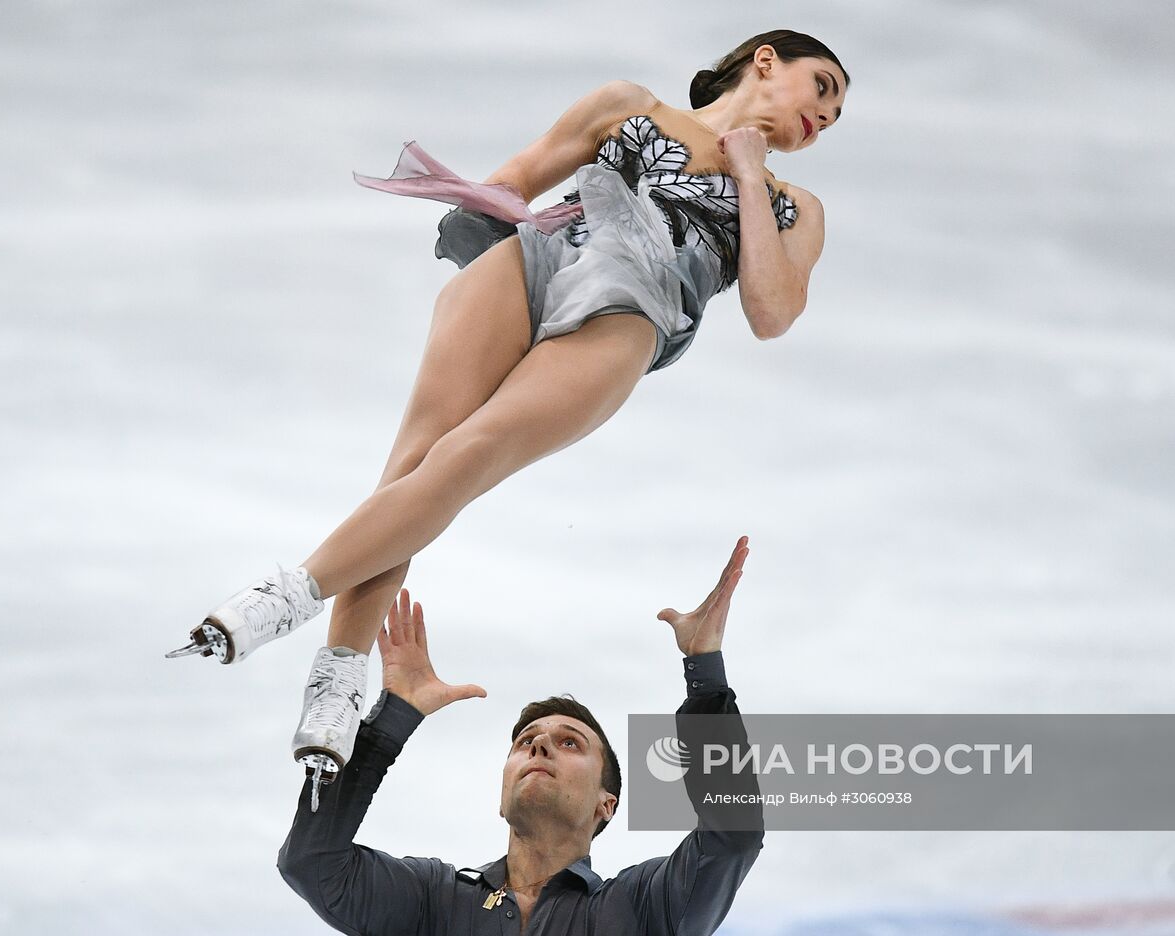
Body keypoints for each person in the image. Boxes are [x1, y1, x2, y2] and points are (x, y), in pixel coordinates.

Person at [167, 29, 849, 782]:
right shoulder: (630, 105)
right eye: (822, 87)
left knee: (469, 456)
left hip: (629, 311)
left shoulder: (795, 207)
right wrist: (491, 228)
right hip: (533, 263)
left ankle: (287, 594)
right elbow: (518, 178)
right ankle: (336, 681)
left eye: (837, 115)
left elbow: (771, 311)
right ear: (765, 62)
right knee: (414, 465)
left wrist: (750, 175)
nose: (826, 115)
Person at [277, 536, 764, 934]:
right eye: (525, 741)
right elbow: (311, 862)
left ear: (606, 804)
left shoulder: (640, 907)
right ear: (502, 798)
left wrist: (705, 672)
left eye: (570, 742)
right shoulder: (431, 899)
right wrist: (391, 720)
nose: (540, 744)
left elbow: (733, 835)